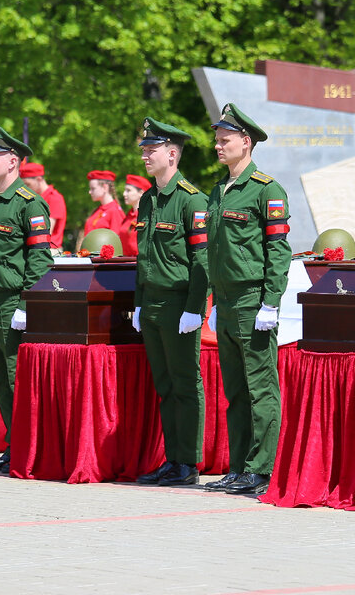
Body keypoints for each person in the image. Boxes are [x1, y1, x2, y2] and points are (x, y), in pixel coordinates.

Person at [204, 103, 292, 495]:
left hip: (253, 299)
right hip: (226, 300)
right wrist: (214, 299)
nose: (218, 146)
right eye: (217, 140)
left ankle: (261, 468)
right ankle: (239, 465)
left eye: (225, 140)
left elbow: (278, 249)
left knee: (261, 388)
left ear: (247, 142)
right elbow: (214, 250)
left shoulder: (266, 189)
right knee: (235, 390)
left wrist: (271, 301)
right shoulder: (218, 190)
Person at [132, 118, 209, 487]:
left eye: (152, 149)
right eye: (144, 150)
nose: (145, 155)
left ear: (173, 154)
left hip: (180, 305)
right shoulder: (147, 199)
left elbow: (202, 261)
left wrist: (195, 307)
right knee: (164, 384)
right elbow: (142, 257)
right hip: (153, 303)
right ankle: (173, 458)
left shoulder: (192, 200)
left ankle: (188, 463)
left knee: (185, 383)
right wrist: (139, 303)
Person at [0, 127, 52, 473]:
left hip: (11, 303)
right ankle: (14, 444)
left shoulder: (29, 204)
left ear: (13, 161)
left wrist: (25, 304)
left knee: (14, 378)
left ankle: (28, 448)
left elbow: (39, 259)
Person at [21, 162, 67, 249]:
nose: (25, 189)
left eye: (27, 185)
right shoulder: (32, 198)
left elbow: (45, 231)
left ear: (39, 179)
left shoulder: (54, 198)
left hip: (48, 250)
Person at [82, 170, 126, 247]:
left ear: (105, 187)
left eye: (93, 188)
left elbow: (116, 242)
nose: (90, 192)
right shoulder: (98, 210)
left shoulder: (114, 211)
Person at [120, 173, 151, 256]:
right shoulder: (129, 216)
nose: (124, 194)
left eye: (128, 190)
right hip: (126, 264)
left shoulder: (148, 215)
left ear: (141, 193)